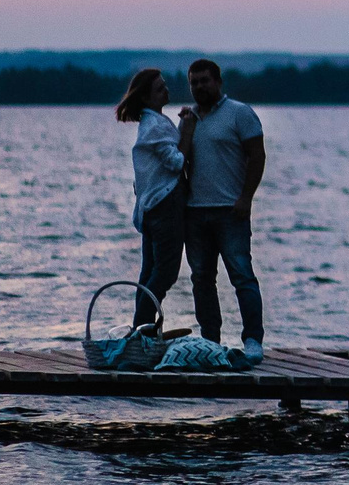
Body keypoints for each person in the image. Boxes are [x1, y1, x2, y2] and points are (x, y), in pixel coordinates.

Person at [178, 58, 268, 362]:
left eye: (205, 80)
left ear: (218, 82)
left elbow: (257, 156)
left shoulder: (239, 114)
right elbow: (179, 162)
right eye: (194, 82)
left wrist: (246, 198)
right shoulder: (189, 120)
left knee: (242, 275)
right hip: (195, 212)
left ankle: (253, 340)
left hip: (231, 211)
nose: (199, 86)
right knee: (201, 279)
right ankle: (210, 342)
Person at [115, 67, 186, 330]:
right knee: (165, 273)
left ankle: (141, 329)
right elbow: (176, 161)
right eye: (159, 88)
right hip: (165, 207)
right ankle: (142, 328)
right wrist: (188, 130)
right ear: (146, 98)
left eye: (164, 84)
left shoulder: (154, 122)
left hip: (152, 208)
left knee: (149, 274)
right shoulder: (154, 126)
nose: (166, 89)